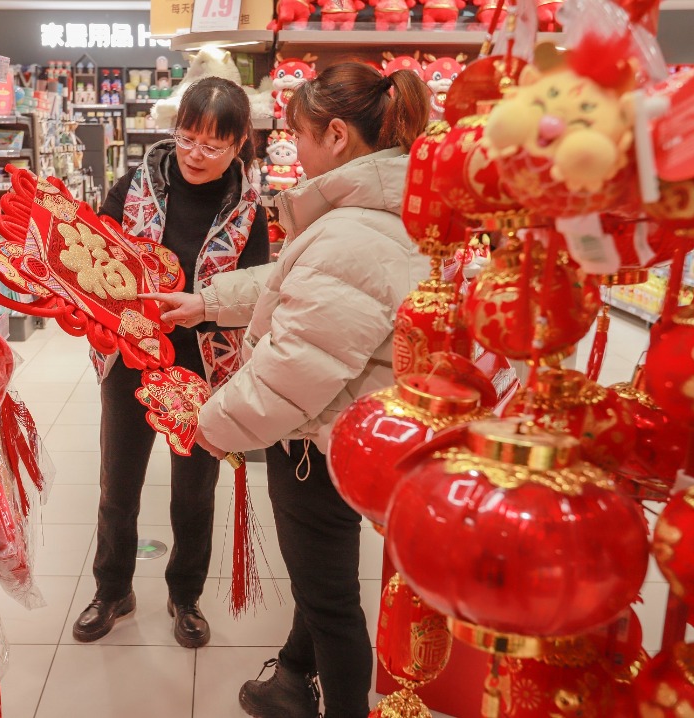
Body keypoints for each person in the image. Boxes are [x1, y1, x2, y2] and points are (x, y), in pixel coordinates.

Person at [146, 63, 430, 718]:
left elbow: (292, 374)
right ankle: (291, 676)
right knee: (321, 578)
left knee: (331, 601)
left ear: (335, 135)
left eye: (297, 134)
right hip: (359, 431)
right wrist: (207, 302)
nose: (290, 149)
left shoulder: (350, 232)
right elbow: (295, 285)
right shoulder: (381, 211)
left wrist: (207, 424)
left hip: (317, 442)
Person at [72, 76, 270, 649]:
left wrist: (200, 310)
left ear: (240, 146)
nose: (195, 154)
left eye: (213, 145)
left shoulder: (248, 213)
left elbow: (254, 294)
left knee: (193, 490)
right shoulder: (136, 184)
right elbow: (96, 249)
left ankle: (186, 597)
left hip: (204, 368)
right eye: (187, 137)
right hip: (131, 361)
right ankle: (112, 590)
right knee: (119, 484)